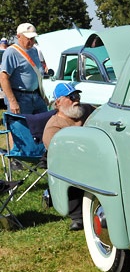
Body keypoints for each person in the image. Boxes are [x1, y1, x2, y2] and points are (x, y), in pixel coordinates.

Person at [42, 82, 94, 230]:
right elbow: (58, 156)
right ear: (58, 103)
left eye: (77, 95)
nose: (76, 99)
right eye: (70, 97)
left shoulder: (87, 110)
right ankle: (78, 217)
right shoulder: (54, 127)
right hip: (72, 166)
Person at [0, 23, 48, 115]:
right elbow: (3, 78)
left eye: (33, 38)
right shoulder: (11, 52)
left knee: (43, 126)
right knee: (22, 128)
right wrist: (12, 101)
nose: (32, 41)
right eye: (28, 39)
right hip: (20, 98)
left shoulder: (34, 50)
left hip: (37, 96)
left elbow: (37, 74)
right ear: (18, 36)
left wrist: (43, 96)